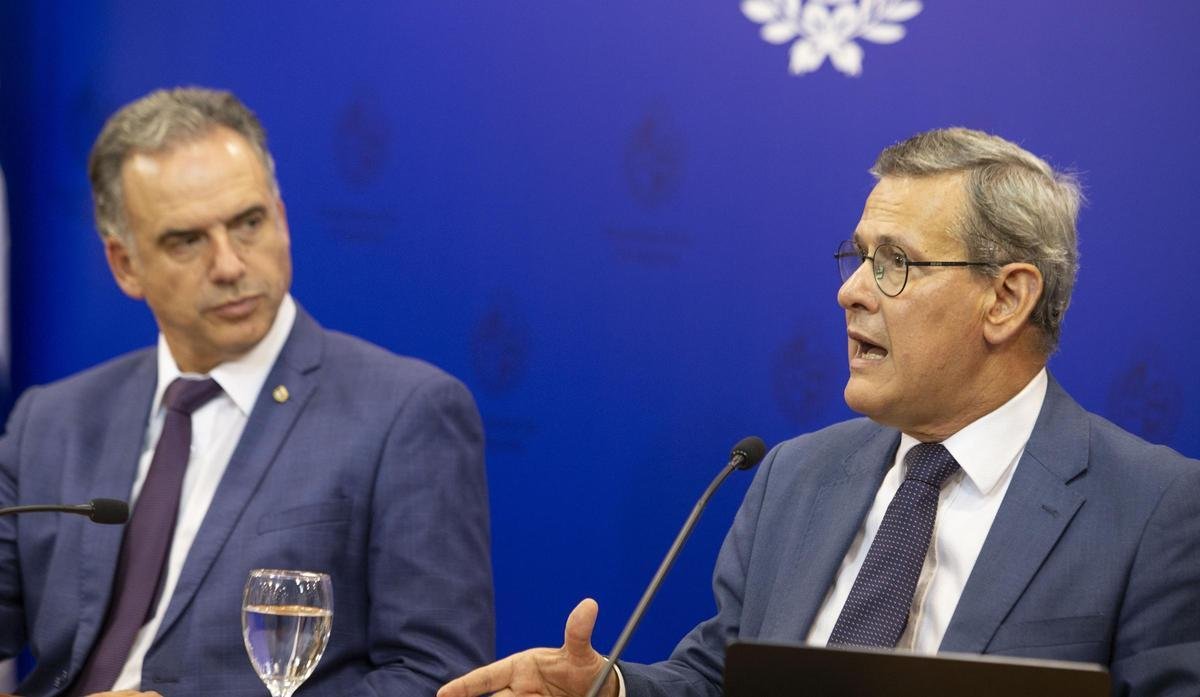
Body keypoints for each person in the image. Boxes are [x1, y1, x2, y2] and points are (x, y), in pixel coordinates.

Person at [439, 127, 1200, 697]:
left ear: (1006, 298)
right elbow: (720, 676)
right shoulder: (794, 476)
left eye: (895, 263)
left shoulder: (1153, 511)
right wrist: (615, 689)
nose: (853, 291)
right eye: (858, 256)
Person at [0, 87, 494, 696]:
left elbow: (437, 679)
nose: (231, 264)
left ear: (282, 220)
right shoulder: (50, 420)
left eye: (249, 223)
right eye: (187, 240)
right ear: (124, 265)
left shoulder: (405, 414)